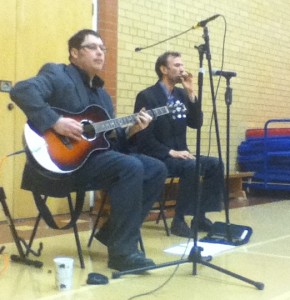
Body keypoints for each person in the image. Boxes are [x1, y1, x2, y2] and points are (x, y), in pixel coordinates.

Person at [10, 29, 168, 271]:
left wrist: (133, 131)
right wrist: (55, 122)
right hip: (60, 164)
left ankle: (112, 232)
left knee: (157, 168)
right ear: (74, 53)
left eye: (103, 48)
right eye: (93, 47)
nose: (100, 52)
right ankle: (123, 254)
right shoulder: (57, 74)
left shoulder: (103, 96)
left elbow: (112, 145)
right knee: (131, 166)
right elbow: (21, 90)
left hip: (93, 162)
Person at [133, 51, 224, 238]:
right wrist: (170, 151)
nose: (182, 69)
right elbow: (142, 137)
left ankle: (199, 215)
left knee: (216, 164)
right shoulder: (147, 96)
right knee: (192, 166)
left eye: (182, 65)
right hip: (158, 156)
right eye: (177, 65)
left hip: (181, 154)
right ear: (163, 69)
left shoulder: (182, 95)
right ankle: (179, 220)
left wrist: (191, 92)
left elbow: (196, 123)